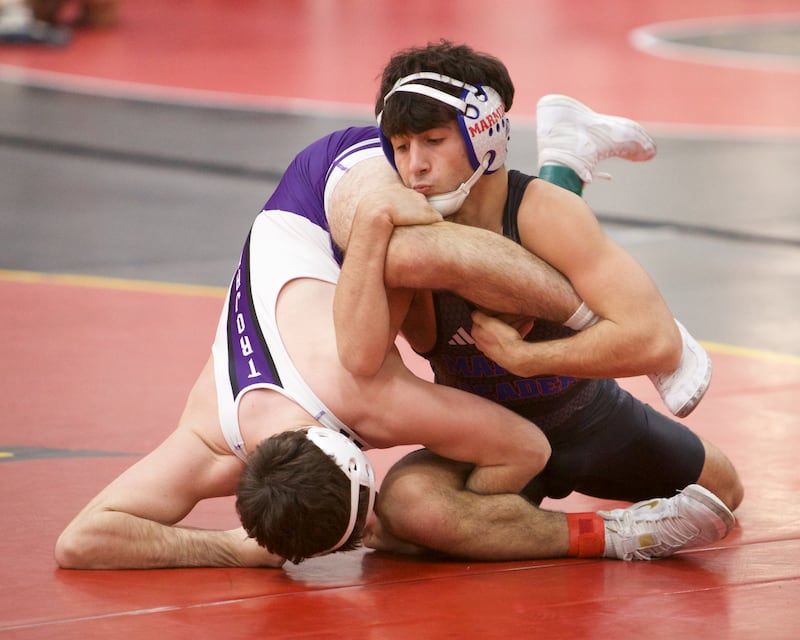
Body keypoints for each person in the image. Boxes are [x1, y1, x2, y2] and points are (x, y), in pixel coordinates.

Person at [54, 74, 733, 571]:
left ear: (353, 453)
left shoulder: (366, 400)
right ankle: (566, 160)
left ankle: (626, 321)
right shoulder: (212, 438)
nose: (369, 530)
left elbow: (524, 446)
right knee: (717, 493)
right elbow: (81, 541)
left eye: (359, 521)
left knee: (411, 251)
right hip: (351, 317)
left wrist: (569, 345)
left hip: (325, 191)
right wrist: (234, 550)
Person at [348, 41, 743, 561]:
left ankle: (566, 159)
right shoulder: (406, 232)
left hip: (586, 419)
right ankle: (613, 535)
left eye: (432, 141)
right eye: (400, 147)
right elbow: (373, 352)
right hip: (482, 441)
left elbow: (656, 340)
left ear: (483, 133)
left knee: (724, 494)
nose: (414, 167)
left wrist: (529, 358)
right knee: (407, 507)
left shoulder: (543, 214)